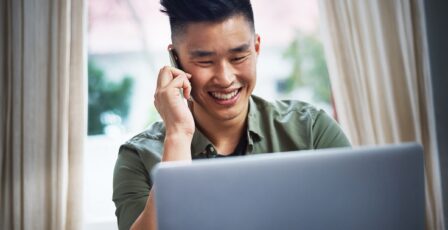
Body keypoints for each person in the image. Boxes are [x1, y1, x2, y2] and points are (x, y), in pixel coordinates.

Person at [112, 0, 351, 229]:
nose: (225, 79)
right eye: (205, 61)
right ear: (176, 61)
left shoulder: (311, 131)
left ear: (256, 48)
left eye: (238, 58)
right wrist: (178, 135)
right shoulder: (139, 158)